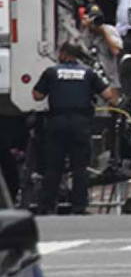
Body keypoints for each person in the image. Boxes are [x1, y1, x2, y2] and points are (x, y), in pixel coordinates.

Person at [32, 42, 118, 214]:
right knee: (80, 168)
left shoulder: (51, 72)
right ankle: (79, 206)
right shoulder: (88, 73)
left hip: (57, 123)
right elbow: (109, 95)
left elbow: (37, 95)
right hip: (80, 124)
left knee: (53, 167)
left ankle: (46, 206)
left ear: (63, 54)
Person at [81, 5, 123, 90]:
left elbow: (116, 51)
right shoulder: (86, 32)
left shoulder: (109, 30)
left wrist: (103, 32)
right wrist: (86, 27)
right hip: (91, 78)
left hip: (109, 80)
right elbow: (83, 50)